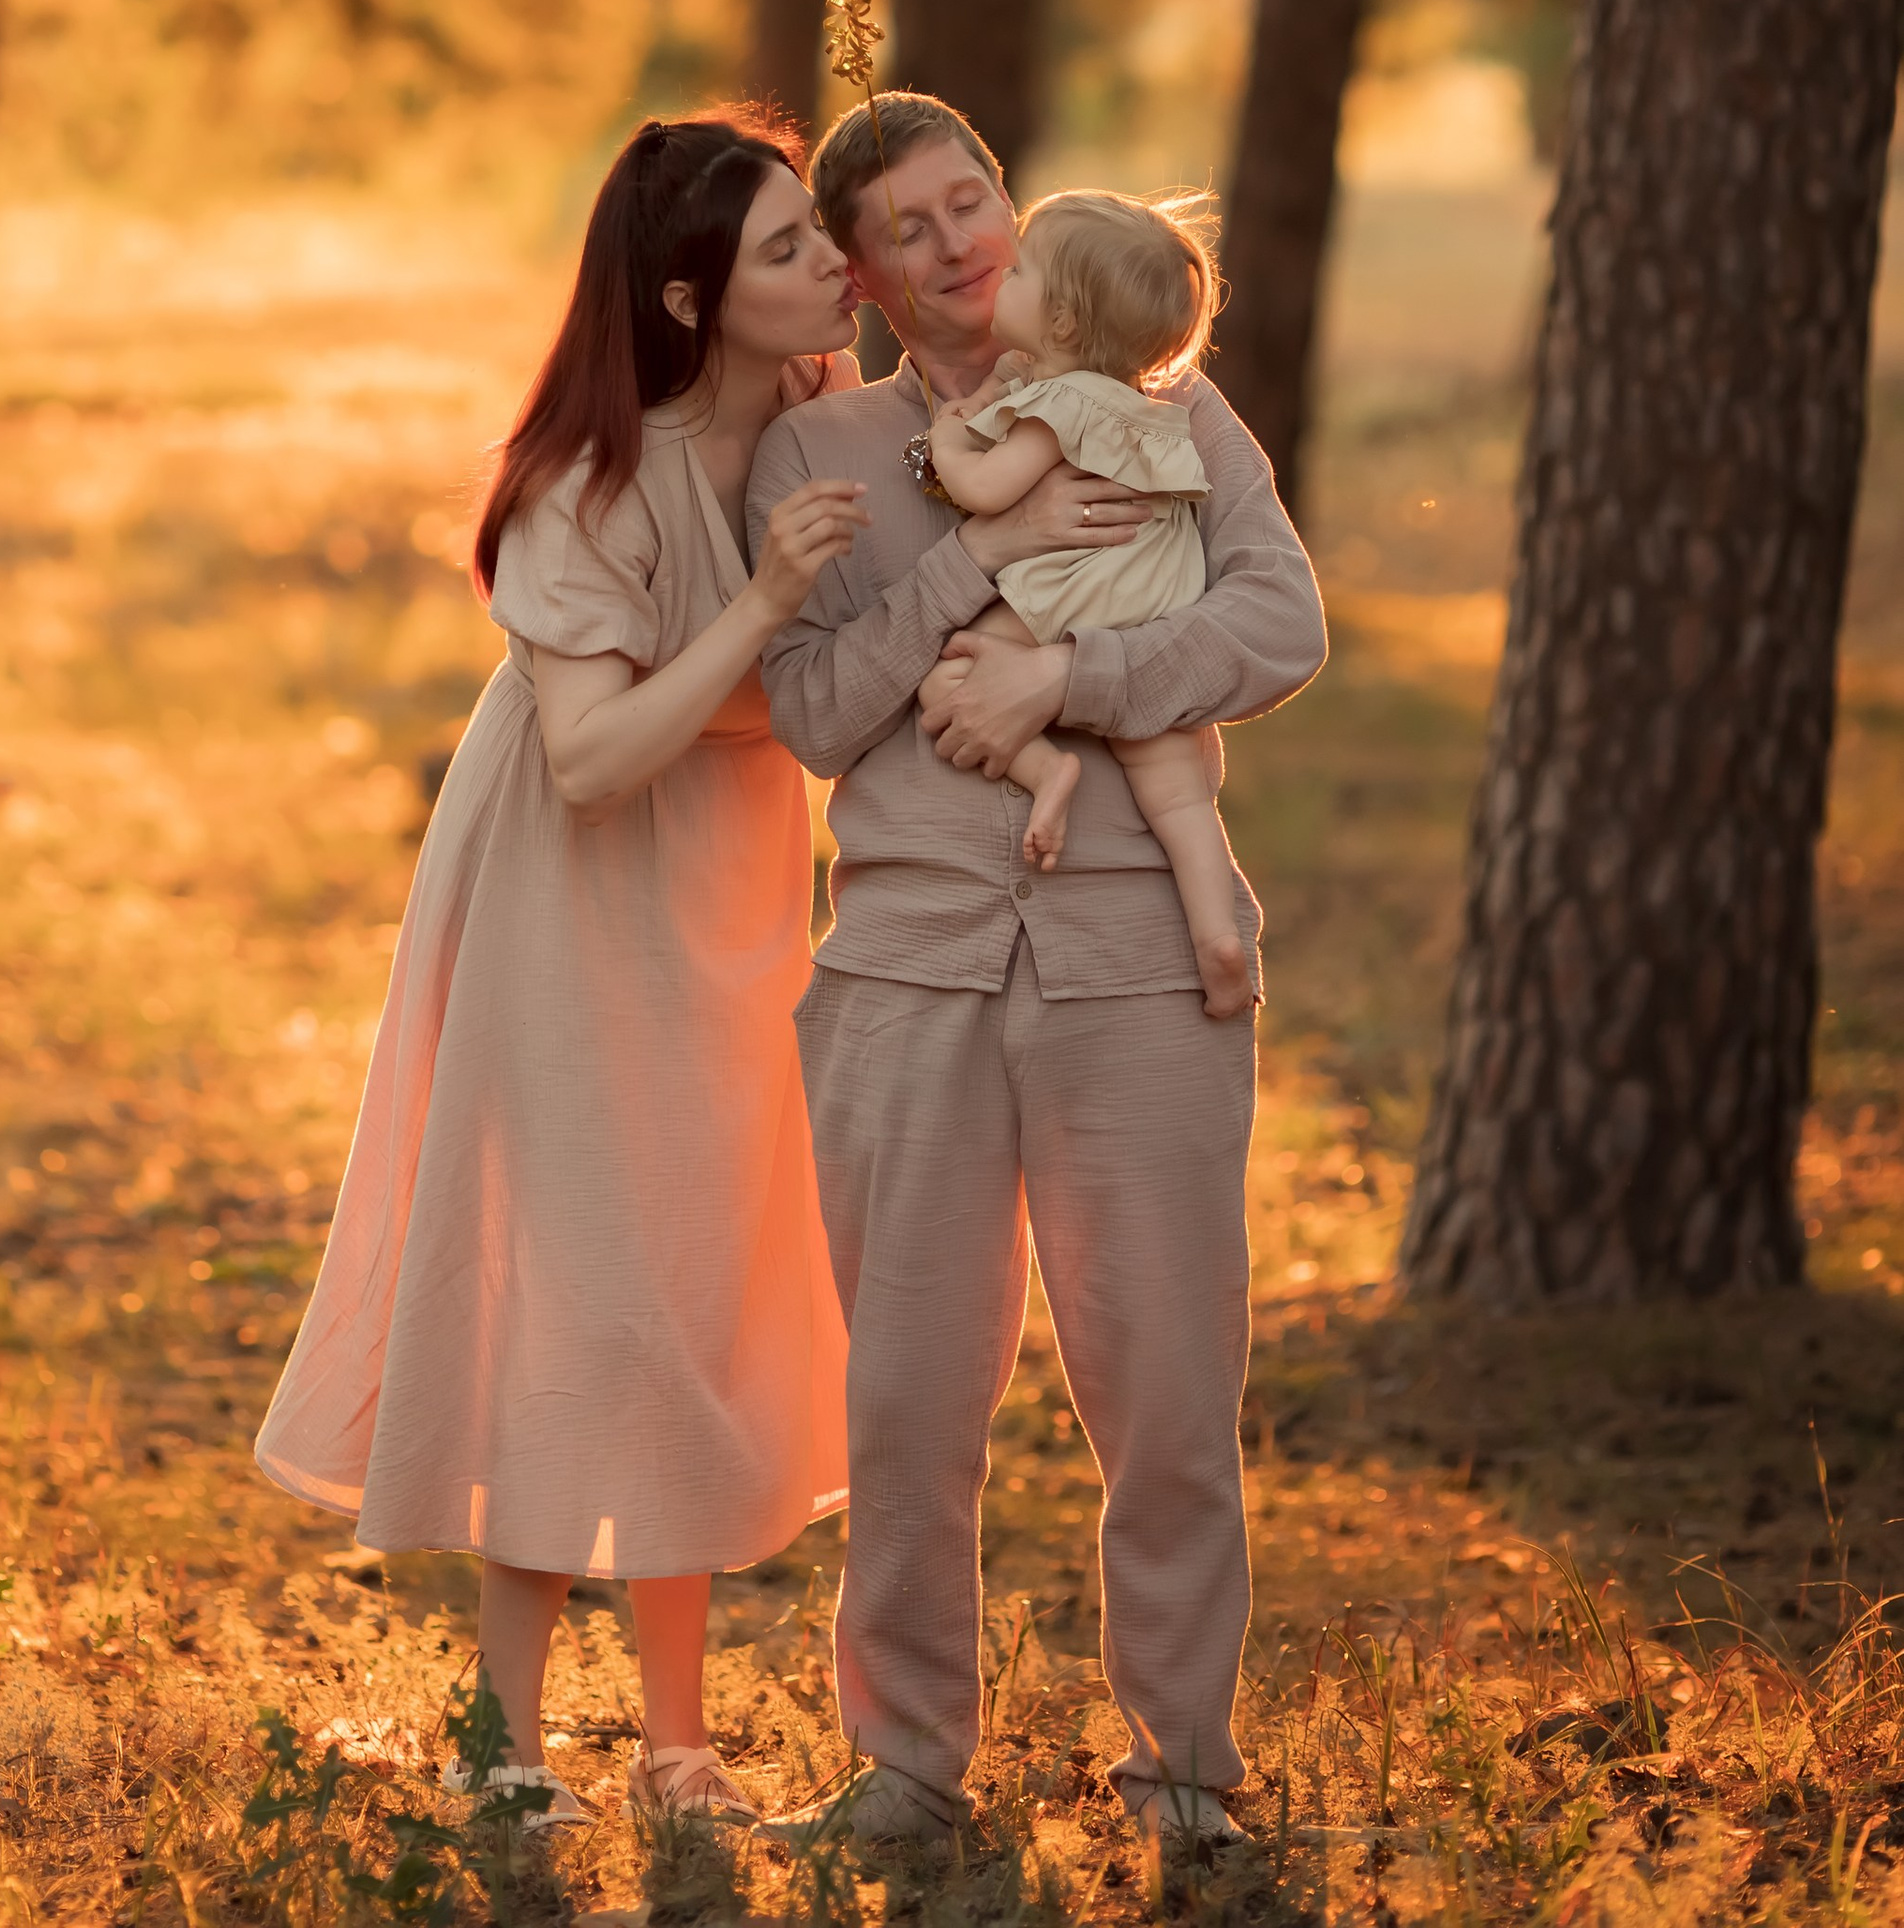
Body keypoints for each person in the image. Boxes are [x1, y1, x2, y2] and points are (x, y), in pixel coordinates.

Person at [256, 113, 866, 1831]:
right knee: (571, 1296)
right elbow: (595, 760)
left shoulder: (829, 427)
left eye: (827, 234)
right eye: (790, 250)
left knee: (688, 1293)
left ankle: (678, 1746)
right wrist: (760, 604)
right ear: (693, 295)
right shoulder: (582, 486)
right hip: (569, 900)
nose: (834, 269)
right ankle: (512, 1747)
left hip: (735, 897)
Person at [744, 92, 1325, 1868]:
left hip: (1138, 958)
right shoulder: (821, 456)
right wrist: (976, 579)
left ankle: (1185, 1779)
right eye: (908, 229)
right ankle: (910, 1767)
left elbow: (1278, 625)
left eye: (970, 198)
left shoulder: (1170, 405)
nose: (958, 243)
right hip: (906, 970)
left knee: (1164, 1389)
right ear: (861, 275)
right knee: (907, 1406)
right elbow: (817, 709)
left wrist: (1060, 676)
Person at [917, 187, 1255, 1022]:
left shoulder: (1054, 404)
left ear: (1063, 323)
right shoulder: (1142, 405)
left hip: (1080, 584)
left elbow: (989, 489)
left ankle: (1048, 769)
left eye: (1022, 268)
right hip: (1158, 594)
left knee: (952, 674)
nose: (1005, 273)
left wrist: (950, 440)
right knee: (1178, 793)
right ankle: (1219, 936)